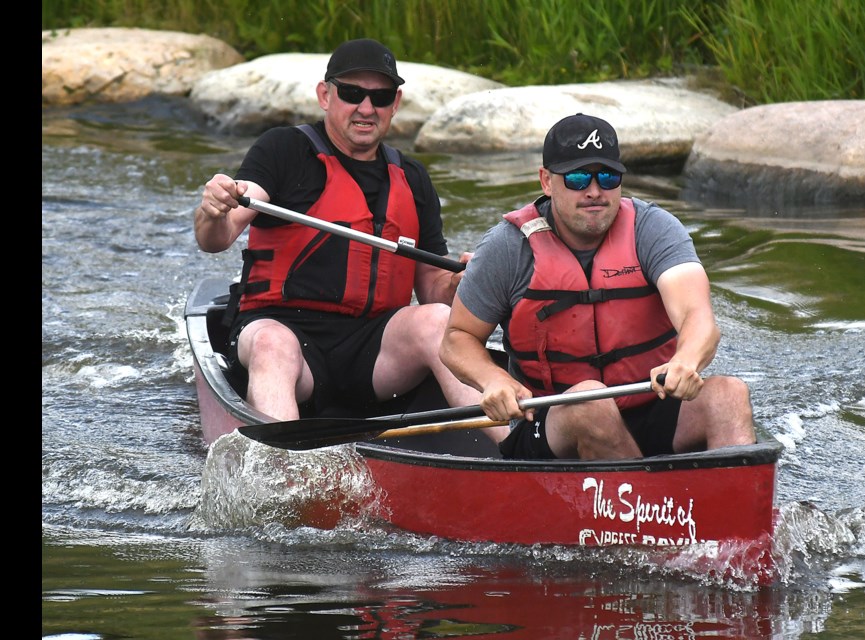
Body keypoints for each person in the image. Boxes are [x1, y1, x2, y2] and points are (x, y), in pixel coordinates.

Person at [194, 38, 507, 441]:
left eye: (379, 97)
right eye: (352, 93)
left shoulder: (412, 179)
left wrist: (457, 285)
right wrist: (214, 209)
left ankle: (515, 455)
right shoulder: (284, 150)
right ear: (325, 95)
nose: (365, 108)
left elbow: (431, 290)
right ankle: (283, 475)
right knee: (273, 344)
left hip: (372, 353)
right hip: (282, 332)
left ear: (395, 103)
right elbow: (216, 237)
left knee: (439, 321)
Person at [439, 113, 757, 460]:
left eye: (607, 177)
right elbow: (457, 338)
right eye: (577, 178)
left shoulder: (654, 229)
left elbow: (697, 316)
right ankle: (648, 505)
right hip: (552, 421)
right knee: (590, 400)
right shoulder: (507, 247)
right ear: (546, 181)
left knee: (729, 394)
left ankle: (734, 507)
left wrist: (687, 359)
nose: (594, 191)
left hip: (651, 406)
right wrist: (492, 380)